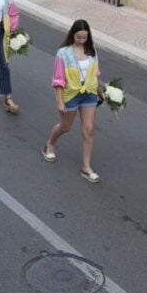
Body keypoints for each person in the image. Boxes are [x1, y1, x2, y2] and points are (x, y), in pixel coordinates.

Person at [43, 19, 104, 182]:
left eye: (85, 37)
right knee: (65, 127)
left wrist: (99, 91)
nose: (82, 41)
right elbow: (58, 79)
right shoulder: (63, 53)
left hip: (89, 94)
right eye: (79, 37)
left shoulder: (92, 50)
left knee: (89, 130)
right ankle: (51, 143)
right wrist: (60, 102)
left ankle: (86, 167)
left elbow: (94, 73)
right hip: (71, 94)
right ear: (73, 35)